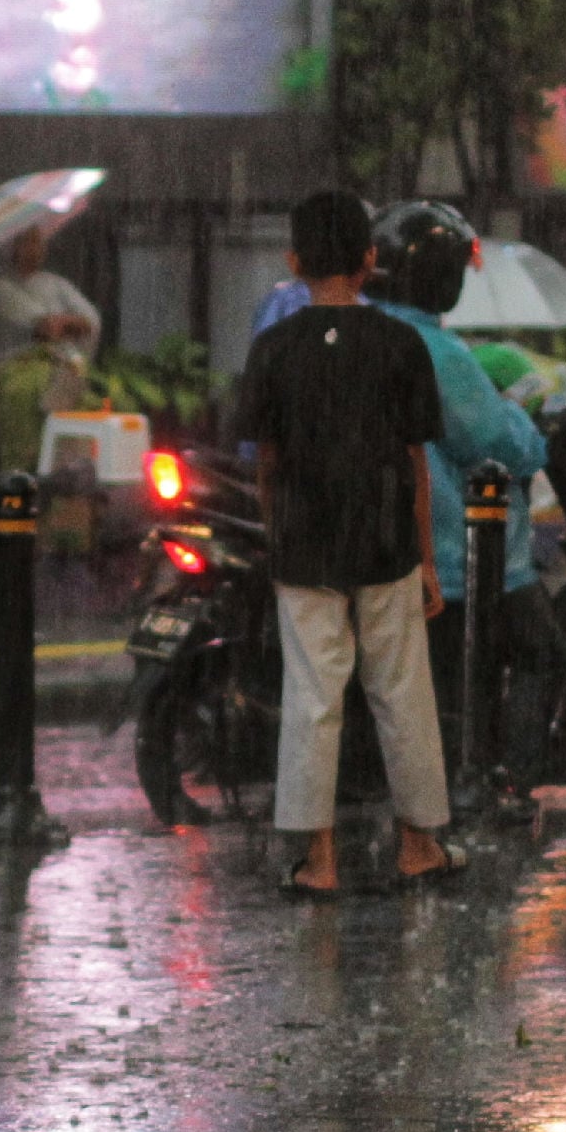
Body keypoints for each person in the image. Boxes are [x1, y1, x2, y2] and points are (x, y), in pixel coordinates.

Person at [232, 190, 464, 896]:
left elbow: (267, 462)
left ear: (294, 261)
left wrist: (278, 532)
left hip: (305, 544)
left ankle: (320, 860)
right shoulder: (400, 345)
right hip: (386, 541)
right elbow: (416, 464)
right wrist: (427, 559)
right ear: (369, 259)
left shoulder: (273, 350)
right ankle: (418, 845)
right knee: (402, 694)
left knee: (312, 697)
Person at [365, 201, 558, 809]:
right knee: (542, 650)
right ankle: (505, 783)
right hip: (458, 557)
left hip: (380, 549)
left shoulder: (359, 335)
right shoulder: (437, 353)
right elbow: (498, 443)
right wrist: (523, 422)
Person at [0, 226, 101, 475]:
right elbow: (45, 327)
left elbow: (90, 321)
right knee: (25, 459)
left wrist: (67, 325)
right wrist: (69, 324)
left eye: (38, 242)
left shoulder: (56, 284)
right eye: (27, 242)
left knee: (72, 449)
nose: (35, 250)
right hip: (18, 382)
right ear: (10, 248)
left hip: (64, 375)